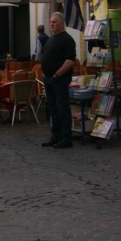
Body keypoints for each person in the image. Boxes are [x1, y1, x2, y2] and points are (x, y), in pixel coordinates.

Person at [40, 12, 77, 149]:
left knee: (62, 108)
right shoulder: (51, 39)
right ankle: (55, 135)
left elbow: (70, 60)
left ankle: (66, 137)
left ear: (62, 23)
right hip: (48, 78)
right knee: (52, 108)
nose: (51, 24)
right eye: (50, 22)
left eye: (54, 22)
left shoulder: (67, 39)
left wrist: (57, 74)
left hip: (59, 79)